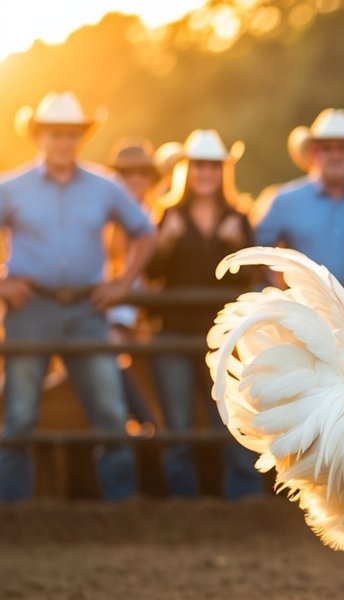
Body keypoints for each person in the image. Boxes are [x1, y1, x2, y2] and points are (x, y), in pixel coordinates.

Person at [0, 92, 155, 502]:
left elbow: (145, 231)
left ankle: (119, 508)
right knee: (19, 415)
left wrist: (123, 283)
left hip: (88, 309)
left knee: (109, 411)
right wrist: (2, 282)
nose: (64, 142)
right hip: (31, 309)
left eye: (71, 134)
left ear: (81, 137)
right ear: (40, 136)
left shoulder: (105, 186)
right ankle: (13, 512)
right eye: (56, 134)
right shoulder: (12, 187)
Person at [146, 130, 263, 499]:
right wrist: (165, 242)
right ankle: (184, 507)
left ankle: (242, 501)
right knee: (178, 426)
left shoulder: (239, 217)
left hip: (226, 337)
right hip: (175, 331)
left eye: (213, 166)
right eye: (199, 166)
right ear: (187, 170)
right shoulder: (168, 214)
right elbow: (151, 274)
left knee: (231, 420)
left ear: (222, 171)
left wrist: (237, 246)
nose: (205, 173)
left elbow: (250, 274)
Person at [255, 108, 344, 334]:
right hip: (305, 318)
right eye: (327, 148)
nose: (335, 155)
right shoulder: (286, 201)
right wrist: (274, 294)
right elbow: (257, 251)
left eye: (342, 147)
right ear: (314, 153)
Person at [106, 137, 165, 434]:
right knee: (110, 348)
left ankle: (147, 420)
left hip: (143, 306)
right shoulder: (107, 219)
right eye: (128, 174)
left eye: (142, 173)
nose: (136, 180)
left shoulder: (157, 215)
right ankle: (143, 419)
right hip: (116, 304)